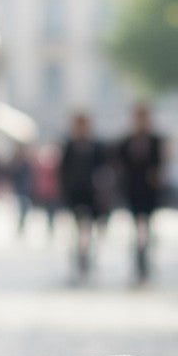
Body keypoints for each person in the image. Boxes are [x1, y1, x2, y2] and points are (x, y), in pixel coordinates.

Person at [116, 103, 164, 283]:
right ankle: (138, 259)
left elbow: (160, 164)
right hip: (133, 191)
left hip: (150, 192)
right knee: (137, 227)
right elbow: (119, 164)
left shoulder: (155, 140)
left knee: (148, 226)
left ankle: (146, 259)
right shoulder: (126, 141)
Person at [58, 111, 110, 278]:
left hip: (93, 194)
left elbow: (104, 171)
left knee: (89, 227)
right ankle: (80, 254)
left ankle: (87, 253)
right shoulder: (68, 146)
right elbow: (63, 172)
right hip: (75, 194)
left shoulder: (97, 147)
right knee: (79, 226)